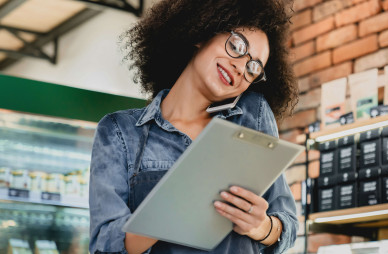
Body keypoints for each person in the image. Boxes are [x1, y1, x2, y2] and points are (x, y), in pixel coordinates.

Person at [89, 0, 299, 253]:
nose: (240, 66)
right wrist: (168, 210)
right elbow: (105, 244)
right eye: (236, 45)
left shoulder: (252, 115)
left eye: (253, 67)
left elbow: (287, 224)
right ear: (202, 33)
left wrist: (261, 227)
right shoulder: (120, 132)